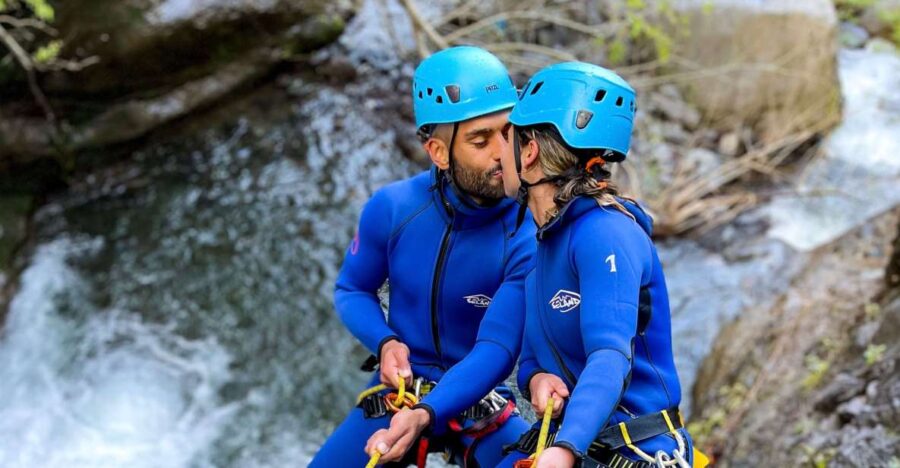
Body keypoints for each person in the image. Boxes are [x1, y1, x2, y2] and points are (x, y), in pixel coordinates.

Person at [310, 46, 534, 468]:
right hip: (397, 394)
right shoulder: (394, 208)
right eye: (480, 140)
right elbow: (352, 288)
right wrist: (386, 341)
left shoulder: (527, 232)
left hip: (481, 403)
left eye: (509, 133)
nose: (503, 152)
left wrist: (426, 413)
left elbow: (498, 348)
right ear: (438, 151)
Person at [496, 62, 694, 468]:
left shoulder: (606, 235)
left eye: (507, 137)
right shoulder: (543, 242)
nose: (499, 152)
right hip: (580, 443)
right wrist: (536, 379)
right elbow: (533, 356)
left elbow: (609, 357)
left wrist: (565, 449)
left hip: (634, 452)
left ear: (529, 151)